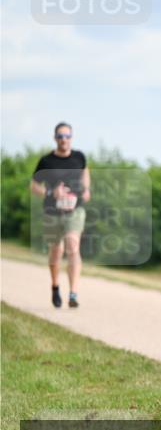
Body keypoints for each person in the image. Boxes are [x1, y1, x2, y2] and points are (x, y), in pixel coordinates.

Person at [30, 121, 91, 308]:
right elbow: (34, 186)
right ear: (55, 138)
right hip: (52, 212)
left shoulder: (79, 157)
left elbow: (85, 172)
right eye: (60, 136)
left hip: (75, 210)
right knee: (56, 251)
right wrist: (51, 193)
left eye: (67, 136)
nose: (64, 139)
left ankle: (73, 293)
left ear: (71, 137)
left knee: (73, 246)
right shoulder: (46, 161)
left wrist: (86, 189)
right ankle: (55, 286)